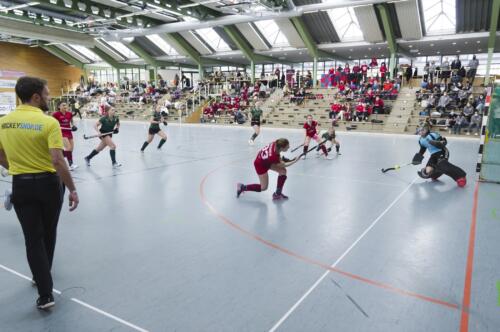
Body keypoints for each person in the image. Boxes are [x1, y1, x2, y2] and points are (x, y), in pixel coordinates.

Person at [0, 76, 79, 309]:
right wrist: (73, 189)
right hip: (48, 185)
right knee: (49, 231)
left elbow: (0, 155)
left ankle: (45, 293)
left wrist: (15, 168)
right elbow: (58, 160)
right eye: (46, 94)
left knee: (32, 238)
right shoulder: (49, 123)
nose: (48, 98)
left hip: (21, 185)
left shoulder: (4, 122)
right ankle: (42, 273)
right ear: (35, 96)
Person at [52, 101, 78, 170]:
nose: (65, 106)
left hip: (69, 131)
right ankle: (70, 164)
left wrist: (73, 126)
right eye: (63, 105)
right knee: (68, 147)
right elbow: (52, 122)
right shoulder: (56, 114)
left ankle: (58, 158)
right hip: (61, 132)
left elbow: (71, 121)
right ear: (59, 107)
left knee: (71, 149)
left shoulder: (69, 114)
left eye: (65, 105)